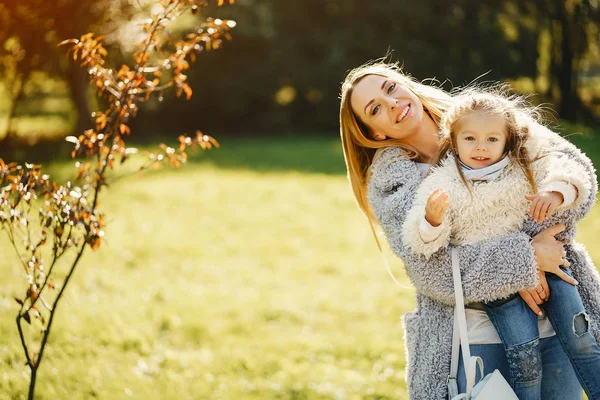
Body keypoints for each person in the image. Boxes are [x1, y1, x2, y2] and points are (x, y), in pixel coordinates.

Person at [339, 60, 600, 400]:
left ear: (405, 85)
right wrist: (525, 261)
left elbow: (575, 175)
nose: (392, 104)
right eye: (375, 109)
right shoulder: (394, 182)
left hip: (556, 321)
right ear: (374, 132)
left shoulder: (486, 118)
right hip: (474, 338)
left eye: (391, 89)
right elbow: (431, 271)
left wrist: (543, 240)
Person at [401, 89, 600, 399]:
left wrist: (555, 193)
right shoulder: (444, 181)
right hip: (499, 284)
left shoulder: (524, 164)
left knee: (583, 338)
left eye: (492, 139)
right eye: (470, 139)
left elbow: (573, 172)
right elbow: (421, 241)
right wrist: (432, 220)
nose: (481, 147)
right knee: (524, 356)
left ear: (507, 141)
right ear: (453, 141)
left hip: (552, 268)